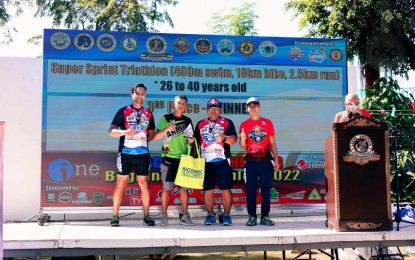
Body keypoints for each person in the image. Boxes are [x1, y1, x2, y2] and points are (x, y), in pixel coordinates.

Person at [108, 83, 155, 227]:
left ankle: (147, 216)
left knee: (144, 184)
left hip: (142, 154)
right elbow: (110, 131)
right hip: (126, 153)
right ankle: (115, 216)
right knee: (121, 184)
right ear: (132, 94)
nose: (141, 96)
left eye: (143, 94)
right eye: (138, 93)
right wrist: (125, 132)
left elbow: (151, 134)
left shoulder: (148, 113)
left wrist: (141, 139)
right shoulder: (123, 111)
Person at [194, 98, 238, 226]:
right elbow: (195, 143)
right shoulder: (200, 124)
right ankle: (210, 215)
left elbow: (234, 139)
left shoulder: (227, 122)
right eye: (210, 108)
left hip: (222, 160)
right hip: (206, 162)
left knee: (226, 189)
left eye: (216, 108)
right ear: (207, 110)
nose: (213, 111)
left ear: (220, 110)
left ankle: (227, 215)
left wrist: (224, 137)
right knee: (208, 189)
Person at [153, 95, 195, 226]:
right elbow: (156, 137)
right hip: (168, 158)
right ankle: (164, 215)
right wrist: (167, 129)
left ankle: (184, 216)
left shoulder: (188, 121)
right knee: (166, 189)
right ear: (173, 104)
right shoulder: (166, 118)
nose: (181, 105)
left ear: (186, 105)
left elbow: (191, 140)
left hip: (183, 159)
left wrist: (192, 140)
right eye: (179, 103)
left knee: (184, 189)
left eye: (183, 103)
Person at [239, 97, 280, 226]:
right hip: (250, 162)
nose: (253, 108)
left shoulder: (267, 123)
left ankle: (265, 216)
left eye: (255, 106)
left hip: (266, 160)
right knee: (250, 190)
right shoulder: (244, 124)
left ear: (259, 107)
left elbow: (272, 142)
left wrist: (276, 158)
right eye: (250, 106)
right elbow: (242, 146)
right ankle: (252, 216)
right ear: (247, 109)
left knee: (266, 190)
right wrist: (243, 139)